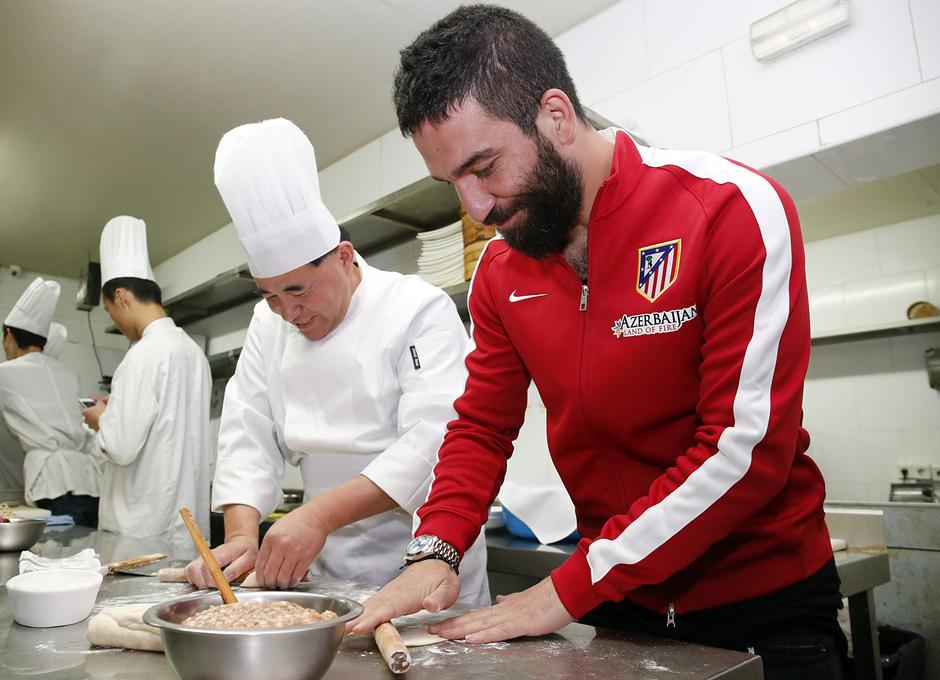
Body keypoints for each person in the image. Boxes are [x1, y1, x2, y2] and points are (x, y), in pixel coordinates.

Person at [350, 6, 845, 678]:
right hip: (621, 609)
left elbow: (744, 449)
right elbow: (482, 427)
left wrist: (566, 589)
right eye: (453, 184)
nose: (476, 209)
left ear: (555, 116)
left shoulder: (729, 209)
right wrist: (435, 548)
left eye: (484, 167)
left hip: (762, 606)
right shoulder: (500, 272)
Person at [184, 118, 489, 606]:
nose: (289, 312)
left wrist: (319, 516)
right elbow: (247, 431)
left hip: (423, 563)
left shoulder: (416, 307)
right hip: (324, 574)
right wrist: (242, 534)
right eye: (270, 296)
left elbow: (433, 441)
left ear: (344, 257)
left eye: (298, 290)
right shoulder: (268, 325)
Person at [82, 216, 211, 551]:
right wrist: (115, 412)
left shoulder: (141, 356)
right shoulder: (193, 352)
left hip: (139, 534)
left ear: (122, 296)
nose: (116, 320)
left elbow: (121, 447)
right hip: (183, 530)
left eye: (110, 310)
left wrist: (100, 420)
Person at [0, 278, 101, 525]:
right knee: (85, 542)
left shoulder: (6, 373)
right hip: (89, 480)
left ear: (9, 336)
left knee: (60, 544)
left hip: (52, 483)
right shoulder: (69, 374)